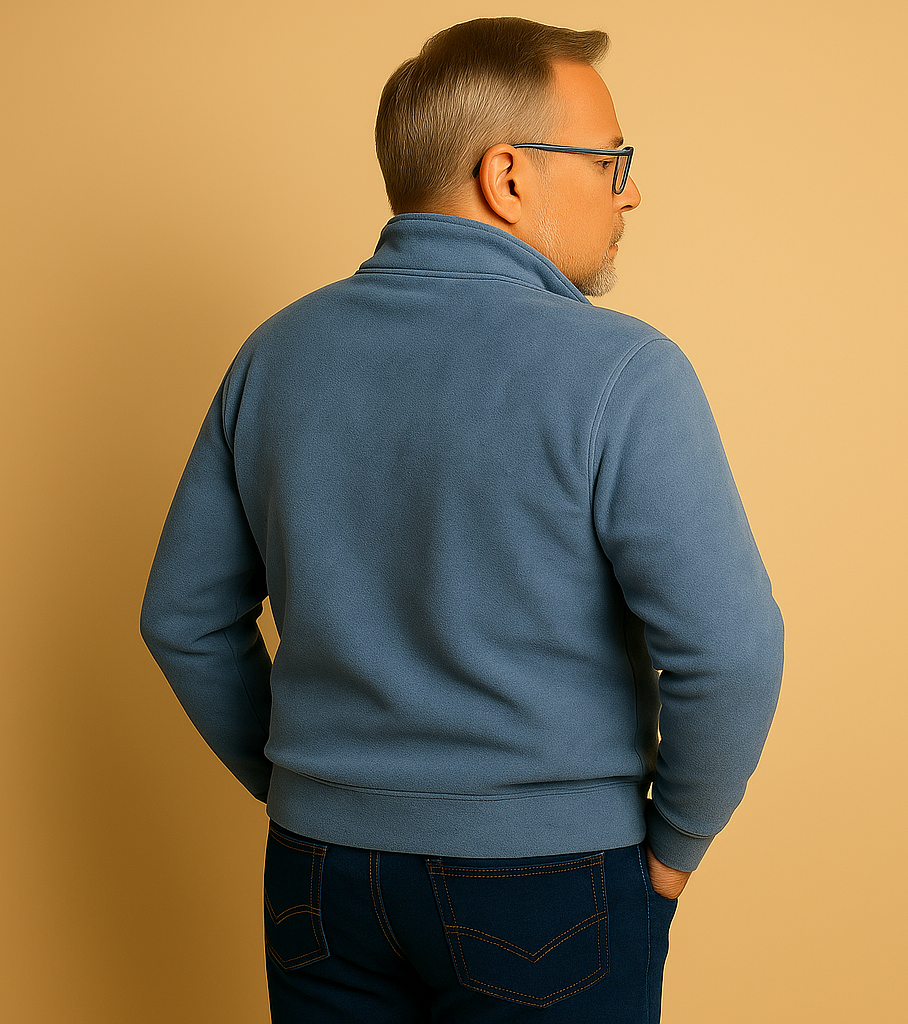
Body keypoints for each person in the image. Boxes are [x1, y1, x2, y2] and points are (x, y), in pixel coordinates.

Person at [141, 16, 783, 1023]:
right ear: (508, 176)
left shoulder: (274, 354)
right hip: (547, 879)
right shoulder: (623, 371)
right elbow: (731, 650)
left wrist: (309, 784)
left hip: (320, 876)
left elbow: (181, 618)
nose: (630, 192)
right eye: (610, 161)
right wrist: (675, 849)